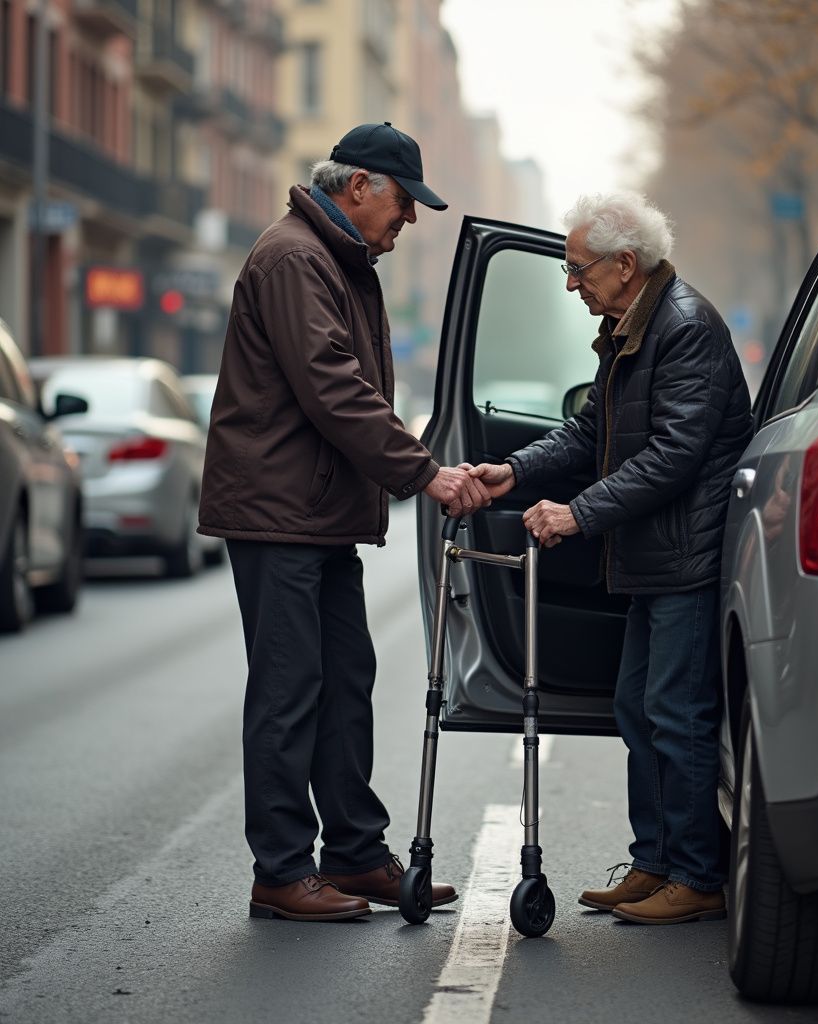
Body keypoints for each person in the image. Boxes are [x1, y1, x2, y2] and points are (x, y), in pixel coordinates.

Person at [198, 122, 490, 922]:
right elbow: (333, 387)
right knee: (291, 691)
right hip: (279, 513)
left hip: (316, 512)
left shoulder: (335, 257)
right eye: (403, 204)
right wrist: (425, 472)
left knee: (344, 686)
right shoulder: (296, 257)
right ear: (357, 184)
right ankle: (282, 871)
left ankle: (355, 853)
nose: (409, 223)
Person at [470, 192, 753, 925]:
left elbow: (674, 456)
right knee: (637, 704)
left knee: (677, 713)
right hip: (654, 557)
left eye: (578, 268)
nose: (571, 284)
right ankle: (655, 861)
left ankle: (697, 877)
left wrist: (579, 513)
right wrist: (516, 472)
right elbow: (588, 429)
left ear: (626, 264)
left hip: (688, 556)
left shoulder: (683, 328)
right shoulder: (632, 328)